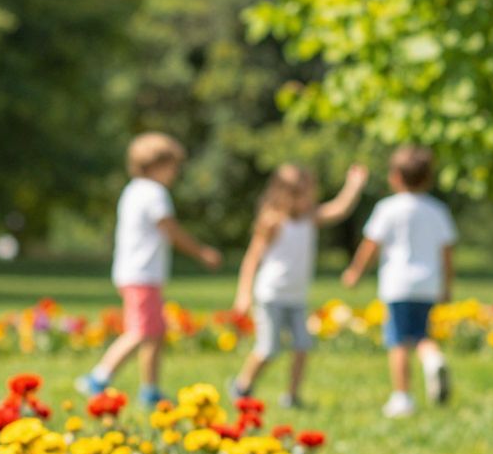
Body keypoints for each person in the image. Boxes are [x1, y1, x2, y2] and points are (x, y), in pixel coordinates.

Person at [76, 133, 223, 408]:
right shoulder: (154, 193)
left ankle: (150, 389)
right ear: (155, 165)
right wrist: (201, 252)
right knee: (141, 332)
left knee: (155, 332)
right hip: (141, 274)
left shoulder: (133, 190)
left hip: (135, 272)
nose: (175, 173)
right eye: (172, 166)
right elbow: (171, 230)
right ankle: (97, 378)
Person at [227, 162, 369, 407]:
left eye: (307, 193)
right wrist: (243, 294)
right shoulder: (272, 222)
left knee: (302, 345)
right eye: (297, 194)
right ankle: (242, 386)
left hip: (296, 297)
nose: (303, 200)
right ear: (281, 193)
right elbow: (251, 260)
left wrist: (353, 185)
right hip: (271, 294)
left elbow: (340, 209)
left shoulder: (310, 218)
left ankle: (292, 396)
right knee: (269, 348)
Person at [342, 145, 457, 418]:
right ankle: (433, 358)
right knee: (421, 334)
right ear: (428, 178)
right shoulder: (437, 210)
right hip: (428, 283)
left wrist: (355, 272)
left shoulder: (387, 209)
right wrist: (447, 285)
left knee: (398, 342)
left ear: (394, 177)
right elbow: (447, 253)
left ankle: (402, 397)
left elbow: (371, 245)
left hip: (397, 284)